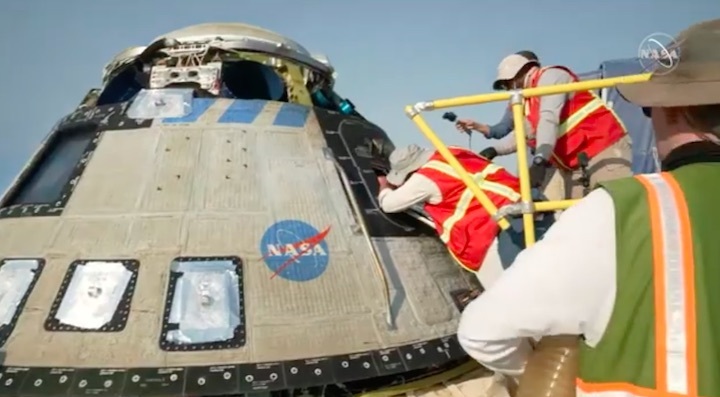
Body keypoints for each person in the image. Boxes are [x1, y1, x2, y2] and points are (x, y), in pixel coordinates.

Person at [456, 18, 720, 395]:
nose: (509, 90)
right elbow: (519, 133)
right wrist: (488, 143)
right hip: (572, 160)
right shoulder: (525, 99)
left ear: (672, 109)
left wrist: (539, 373)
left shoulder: (550, 80)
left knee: (625, 232)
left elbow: (545, 128)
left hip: (603, 152)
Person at [376, 144, 553, 288]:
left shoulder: (424, 179)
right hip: (529, 200)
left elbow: (389, 205)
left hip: (507, 222)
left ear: (409, 171)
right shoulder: (454, 151)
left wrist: (385, 187)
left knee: (513, 285)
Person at [463, 52, 633, 201]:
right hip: (574, 163)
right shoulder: (528, 102)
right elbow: (522, 136)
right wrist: (494, 150)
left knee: (615, 209)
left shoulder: (552, 76)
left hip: (604, 149)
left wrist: (539, 161)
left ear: (521, 73)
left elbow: (548, 118)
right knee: (579, 219)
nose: (508, 89)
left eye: (507, 84)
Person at [455, 51, 540, 142]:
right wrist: (475, 125)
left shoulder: (549, 88)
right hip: (539, 152)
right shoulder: (516, 100)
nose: (508, 87)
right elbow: (502, 129)